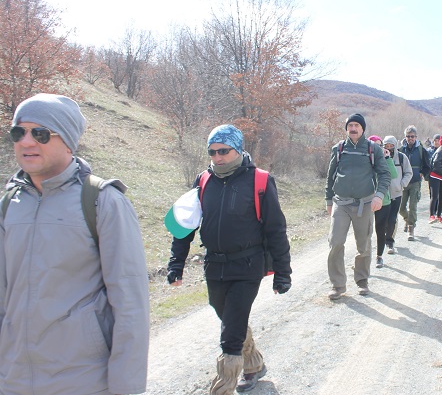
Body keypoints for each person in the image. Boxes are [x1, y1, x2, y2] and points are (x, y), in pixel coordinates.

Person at [0, 93, 150, 395]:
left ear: (67, 140)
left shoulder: (103, 202)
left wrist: (126, 389)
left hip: (83, 382)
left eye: (40, 133)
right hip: (13, 381)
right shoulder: (7, 205)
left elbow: (131, 305)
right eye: (19, 132)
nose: (27, 142)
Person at [166, 124, 292, 395]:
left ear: (238, 148)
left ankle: (224, 387)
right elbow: (185, 226)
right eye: (212, 152)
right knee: (227, 316)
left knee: (230, 333)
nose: (217, 157)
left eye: (223, 151)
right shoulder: (202, 181)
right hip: (214, 265)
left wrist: (283, 272)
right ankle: (255, 363)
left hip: (248, 264)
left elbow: (275, 229)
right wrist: (176, 264)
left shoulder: (259, 180)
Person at [325, 114, 391, 299]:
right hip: (341, 203)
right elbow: (330, 177)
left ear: (363, 128)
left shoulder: (373, 149)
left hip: (365, 203)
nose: (353, 128)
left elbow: (384, 174)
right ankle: (338, 285)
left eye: (356, 125)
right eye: (350, 125)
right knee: (335, 242)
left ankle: (362, 281)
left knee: (363, 245)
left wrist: (379, 196)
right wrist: (329, 200)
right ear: (347, 128)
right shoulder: (338, 149)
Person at [366, 136, 398, 268]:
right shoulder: (364, 159)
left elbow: (393, 175)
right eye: (374, 144)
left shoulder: (384, 158)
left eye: (380, 145)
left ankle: (379, 256)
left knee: (380, 229)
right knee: (365, 231)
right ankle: (363, 258)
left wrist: (387, 158)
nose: (377, 147)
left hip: (383, 200)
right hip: (365, 200)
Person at [398, 125, 431, 241]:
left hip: (415, 182)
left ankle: (411, 228)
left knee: (413, 206)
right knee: (401, 208)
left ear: (416, 137)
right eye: (408, 136)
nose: (410, 138)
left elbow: (428, 166)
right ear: (405, 137)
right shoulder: (400, 151)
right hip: (403, 183)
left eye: (412, 136)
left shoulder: (421, 150)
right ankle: (408, 220)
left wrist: (422, 173)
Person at [383, 135, 413, 256]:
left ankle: (390, 242)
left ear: (395, 146)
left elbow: (408, 172)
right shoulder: (380, 157)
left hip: (396, 193)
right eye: (386, 146)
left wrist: (402, 184)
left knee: (392, 218)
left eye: (391, 146)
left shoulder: (401, 157)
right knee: (383, 220)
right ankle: (385, 237)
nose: (389, 148)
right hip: (383, 194)